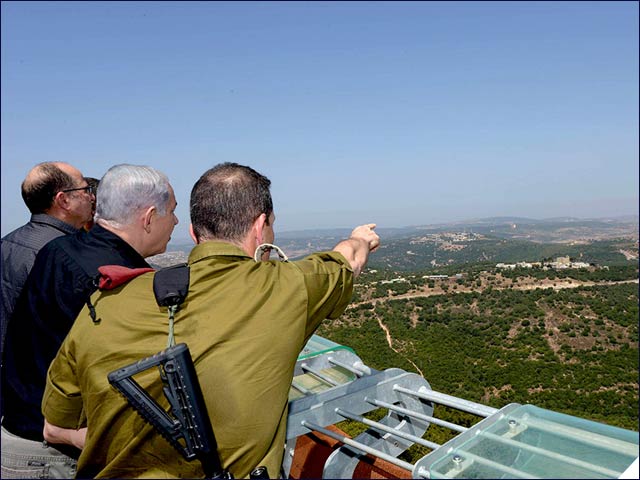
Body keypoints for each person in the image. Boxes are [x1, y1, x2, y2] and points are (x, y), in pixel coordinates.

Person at [41, 162, 380, 479]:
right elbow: (346, 258)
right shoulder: (287, 287)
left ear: (192, 231)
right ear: (261, 227)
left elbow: (55, 425)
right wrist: (361, 238)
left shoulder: (105, 302)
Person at [1, 164, 178, 479]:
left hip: (20, 434)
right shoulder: (116, 280)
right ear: (149, 217)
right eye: (172, 212)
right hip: (55, 454)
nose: (176, 222)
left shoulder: (59, 249)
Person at [1, 162, 95, 357]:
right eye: (86, 189)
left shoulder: (7, 243)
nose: (91, 197)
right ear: (63, 201)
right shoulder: (66, 255)